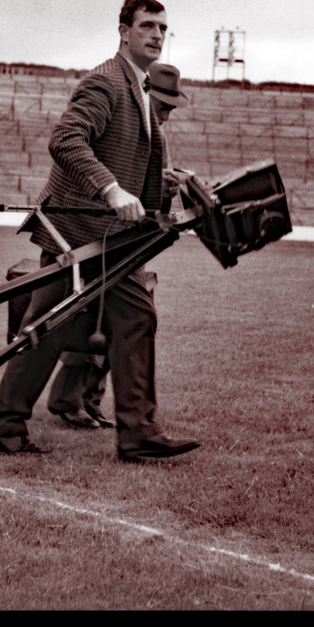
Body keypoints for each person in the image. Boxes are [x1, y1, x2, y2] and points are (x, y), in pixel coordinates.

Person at [0, 0, 200, 461]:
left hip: (110, 240)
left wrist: (161, 188)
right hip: (76, 231)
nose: (157, 35)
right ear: (124, 32)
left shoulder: (141, 91)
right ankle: (6, 424)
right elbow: (65, 140)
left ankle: (136, 433)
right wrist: (111, 190)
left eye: (164, 28)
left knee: (129, 317)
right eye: (147, 26)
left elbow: (132, 173)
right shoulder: (105, 81)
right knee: (48, 326)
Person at [46, 62, 192, 430]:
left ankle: (88, 400)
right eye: (163, 106)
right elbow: (76, 154)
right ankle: (67, 399)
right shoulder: (114, 103)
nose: (167, 116)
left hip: (124, 242)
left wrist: (167, 190)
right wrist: (113, 191)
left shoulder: (156, 136)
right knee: (88, 320)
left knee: (122, 322)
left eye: (172, 109)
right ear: (146, 96)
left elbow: (151, 204)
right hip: (87, 233)